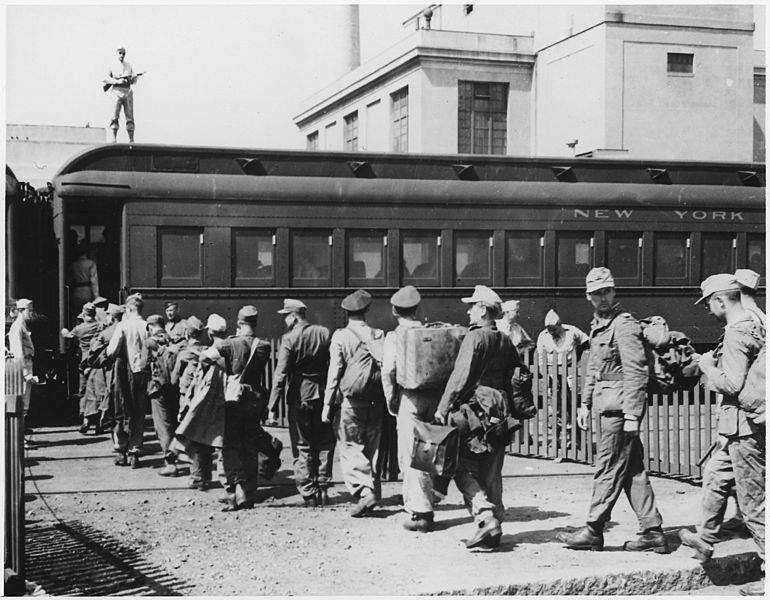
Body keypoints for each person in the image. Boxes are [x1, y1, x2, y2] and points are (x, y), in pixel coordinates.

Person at [558, 267, 670, 554]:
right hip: (606, 405)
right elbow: (594, 368)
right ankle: (652, 531)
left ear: (614, 291)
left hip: (620, 411)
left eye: (606, 291)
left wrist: (633, 415)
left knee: (607, 467)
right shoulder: (599, 325)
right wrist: (584, 404)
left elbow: (636, 372)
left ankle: (593, 529)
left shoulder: (624, 325)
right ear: (588, 296)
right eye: (596, 293)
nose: (602, 298)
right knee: (632, 469)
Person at [678, 274, 765, 596]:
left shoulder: (736, 332)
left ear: (719, 300)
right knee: (715, 475)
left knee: (754, 506)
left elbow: (731, 384)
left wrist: (706, 366)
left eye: (709, 304)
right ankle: (706, 537)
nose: (709, 311)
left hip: (746, 430)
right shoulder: (755, 321)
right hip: (737, 428)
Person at [434, 285, 520, 549]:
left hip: (473, 410)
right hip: (499, 410)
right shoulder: (505, 339)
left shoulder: (475, 338)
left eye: (472, 306)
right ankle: (496, 528)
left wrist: (443, 406)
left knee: (461, 464)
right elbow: (512, 377)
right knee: (492, 469)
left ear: (483, 309)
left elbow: (460, 377)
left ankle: (484, 518)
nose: (468, 310)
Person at [381, 285, 442, 533]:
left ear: (395, 311)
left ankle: (421, 514)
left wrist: (391, 399)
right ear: (417, 309)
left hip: (411, 398)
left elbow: (388, 371)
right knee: (429, 452)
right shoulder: (430, 332)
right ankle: (427, 500)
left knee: (411, 453)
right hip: (435, 397)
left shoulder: (395, 336)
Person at [322, 289, 385, 518]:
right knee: (372, 445)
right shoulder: (379, 334)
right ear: (367, 310)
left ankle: (365, 491)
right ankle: (373, 490)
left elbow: (334, 372)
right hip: (376, 399)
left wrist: (328, 404)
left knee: (350, 446)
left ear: (346, 312)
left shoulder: (341, 336)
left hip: (352, 401)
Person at [201, 305, 271, 511]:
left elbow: (204, 357)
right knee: (250, 445)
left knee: (230, 444)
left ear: (239, 323)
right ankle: (249, 490)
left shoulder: (229, 343)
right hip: (255, 400)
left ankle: (237, 487)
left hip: (234, 399)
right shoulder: (263, 345)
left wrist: (229, 370)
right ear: (255, 323)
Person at [268, 299, 335, 507]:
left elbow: (280, 375)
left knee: (302, 444)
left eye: (285, 316)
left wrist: (272, 406)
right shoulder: (324, 333)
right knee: (324, 441)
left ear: (294, 316)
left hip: (300, 395)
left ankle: (308, 492)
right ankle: (323, 488)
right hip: (322, 394)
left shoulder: (289, 338)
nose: (284, 320)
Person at [171, 314, 220, 491]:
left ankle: (197, 477)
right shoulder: (207, 350)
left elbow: (173, 378)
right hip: (206, 398)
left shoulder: (184, 353)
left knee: (191, 437)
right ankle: (206, 474)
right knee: (205, 436)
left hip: (189, 399)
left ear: (187, 333)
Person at [105, 293, 150, 468]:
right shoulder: (147, 326)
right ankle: (135, 451)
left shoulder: (123, 325)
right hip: (142, 372)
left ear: (130, 308)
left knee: (121, 410)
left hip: (124, 372)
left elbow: (112, 350)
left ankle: (121, 450)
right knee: (139, 412)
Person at [147, 314, 186, 477]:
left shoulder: (149, 342)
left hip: (157, 388)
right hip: (174, 386)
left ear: (150, 326)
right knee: (174, 422)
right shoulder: (172, 339)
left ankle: (170, 463)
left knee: (163, 426)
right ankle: (179, 454)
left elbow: (142, 363)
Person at [61, 302, 101, 433]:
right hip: (98, 363)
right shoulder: (100, 326)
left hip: (85, 363)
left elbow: (68, 335)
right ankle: (100, 423)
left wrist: (64, 331)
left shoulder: (80, 328)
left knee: (84, 391)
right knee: (99, 390)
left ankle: (86, 421)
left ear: (84, 314)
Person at [8, 299, 38, 440]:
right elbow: (18, 351)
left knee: (25, 402)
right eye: (29, 310)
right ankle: (20, 437)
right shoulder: (18, 326)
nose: (31, 313)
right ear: (21, 311)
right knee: (22, 403)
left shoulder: (22, 325)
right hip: (23, 366)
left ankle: (21, 435)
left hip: (26, 364)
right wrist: (25, 373)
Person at [104, 46, 138, 143]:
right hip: (116, 91)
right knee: (114, 116)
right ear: (117, 53)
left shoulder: (129, 66)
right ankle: (114, 138)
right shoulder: (112, 65)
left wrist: (133, 78)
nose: (122, 55)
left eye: (123, 53)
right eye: (120, 53)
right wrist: (117, 81)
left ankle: (131, 139)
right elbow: (105, 78)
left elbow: (132, 81)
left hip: (127, 91)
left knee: (130, 117)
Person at [67, 243, 99, 320]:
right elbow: (94, 282)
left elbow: (69, 280)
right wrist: (97, 297)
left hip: (76, 292)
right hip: (87, 291)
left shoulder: (73, 265)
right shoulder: (91, 263)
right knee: (88, 313)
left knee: (77, 313)